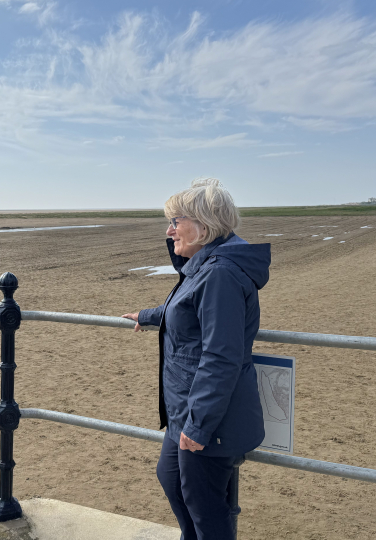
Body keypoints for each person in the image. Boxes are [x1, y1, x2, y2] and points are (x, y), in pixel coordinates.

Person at [122, 178, 270, 539]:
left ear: (203, 226)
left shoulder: (220, 273)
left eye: (176, 221)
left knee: (206, 509)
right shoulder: (205, 265)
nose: (169, 231)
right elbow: (186, 308)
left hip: (208, 416)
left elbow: (222, 356)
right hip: (185, 408)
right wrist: (148, 315)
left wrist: (200, 425)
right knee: (172, 479)